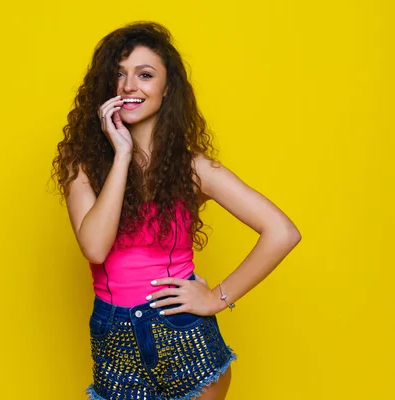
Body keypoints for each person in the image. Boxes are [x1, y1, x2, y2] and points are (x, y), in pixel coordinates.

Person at [51, 21, 301, 400]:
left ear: (166, 90)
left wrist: (217, 297)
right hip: (113, 340)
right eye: (119, 74)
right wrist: (122, 155)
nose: (129, 85)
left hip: (184, 335)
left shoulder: (193, 168)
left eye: (145, 75)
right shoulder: (81, 168)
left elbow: (282, 232)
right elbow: (96, 248)